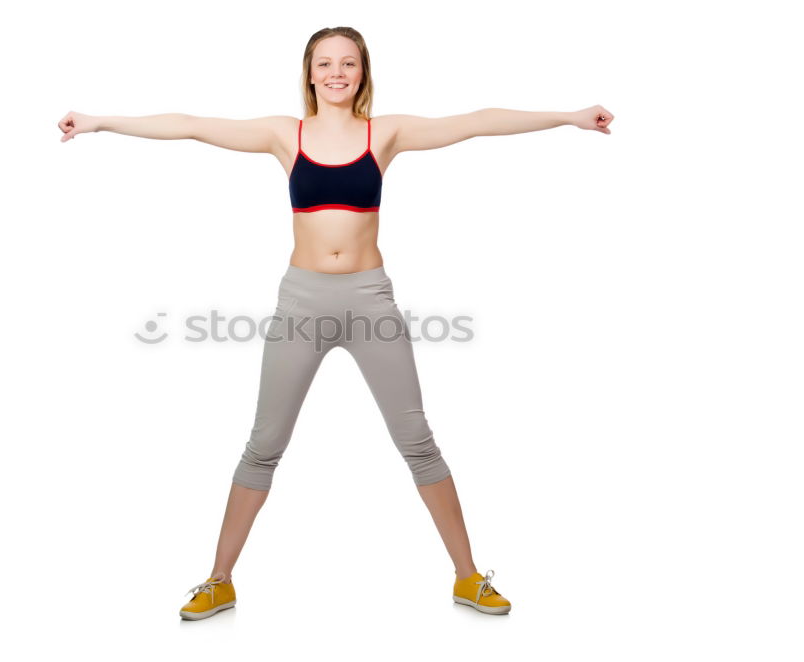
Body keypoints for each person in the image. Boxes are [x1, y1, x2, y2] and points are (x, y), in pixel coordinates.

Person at [57, 26, 613, 621]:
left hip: (371, 302)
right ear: (310, 72)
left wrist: (571, 116)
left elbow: (477, 120)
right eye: (326, 63)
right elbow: (190, 124)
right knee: (264, 445)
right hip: (301, 304)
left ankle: (468, 577)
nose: (337, 73)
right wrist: (98, 121)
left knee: (418, 443)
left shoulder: (385, 133)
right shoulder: (283, 135)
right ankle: (219, 580)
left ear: (362, 71)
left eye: (348, 63)